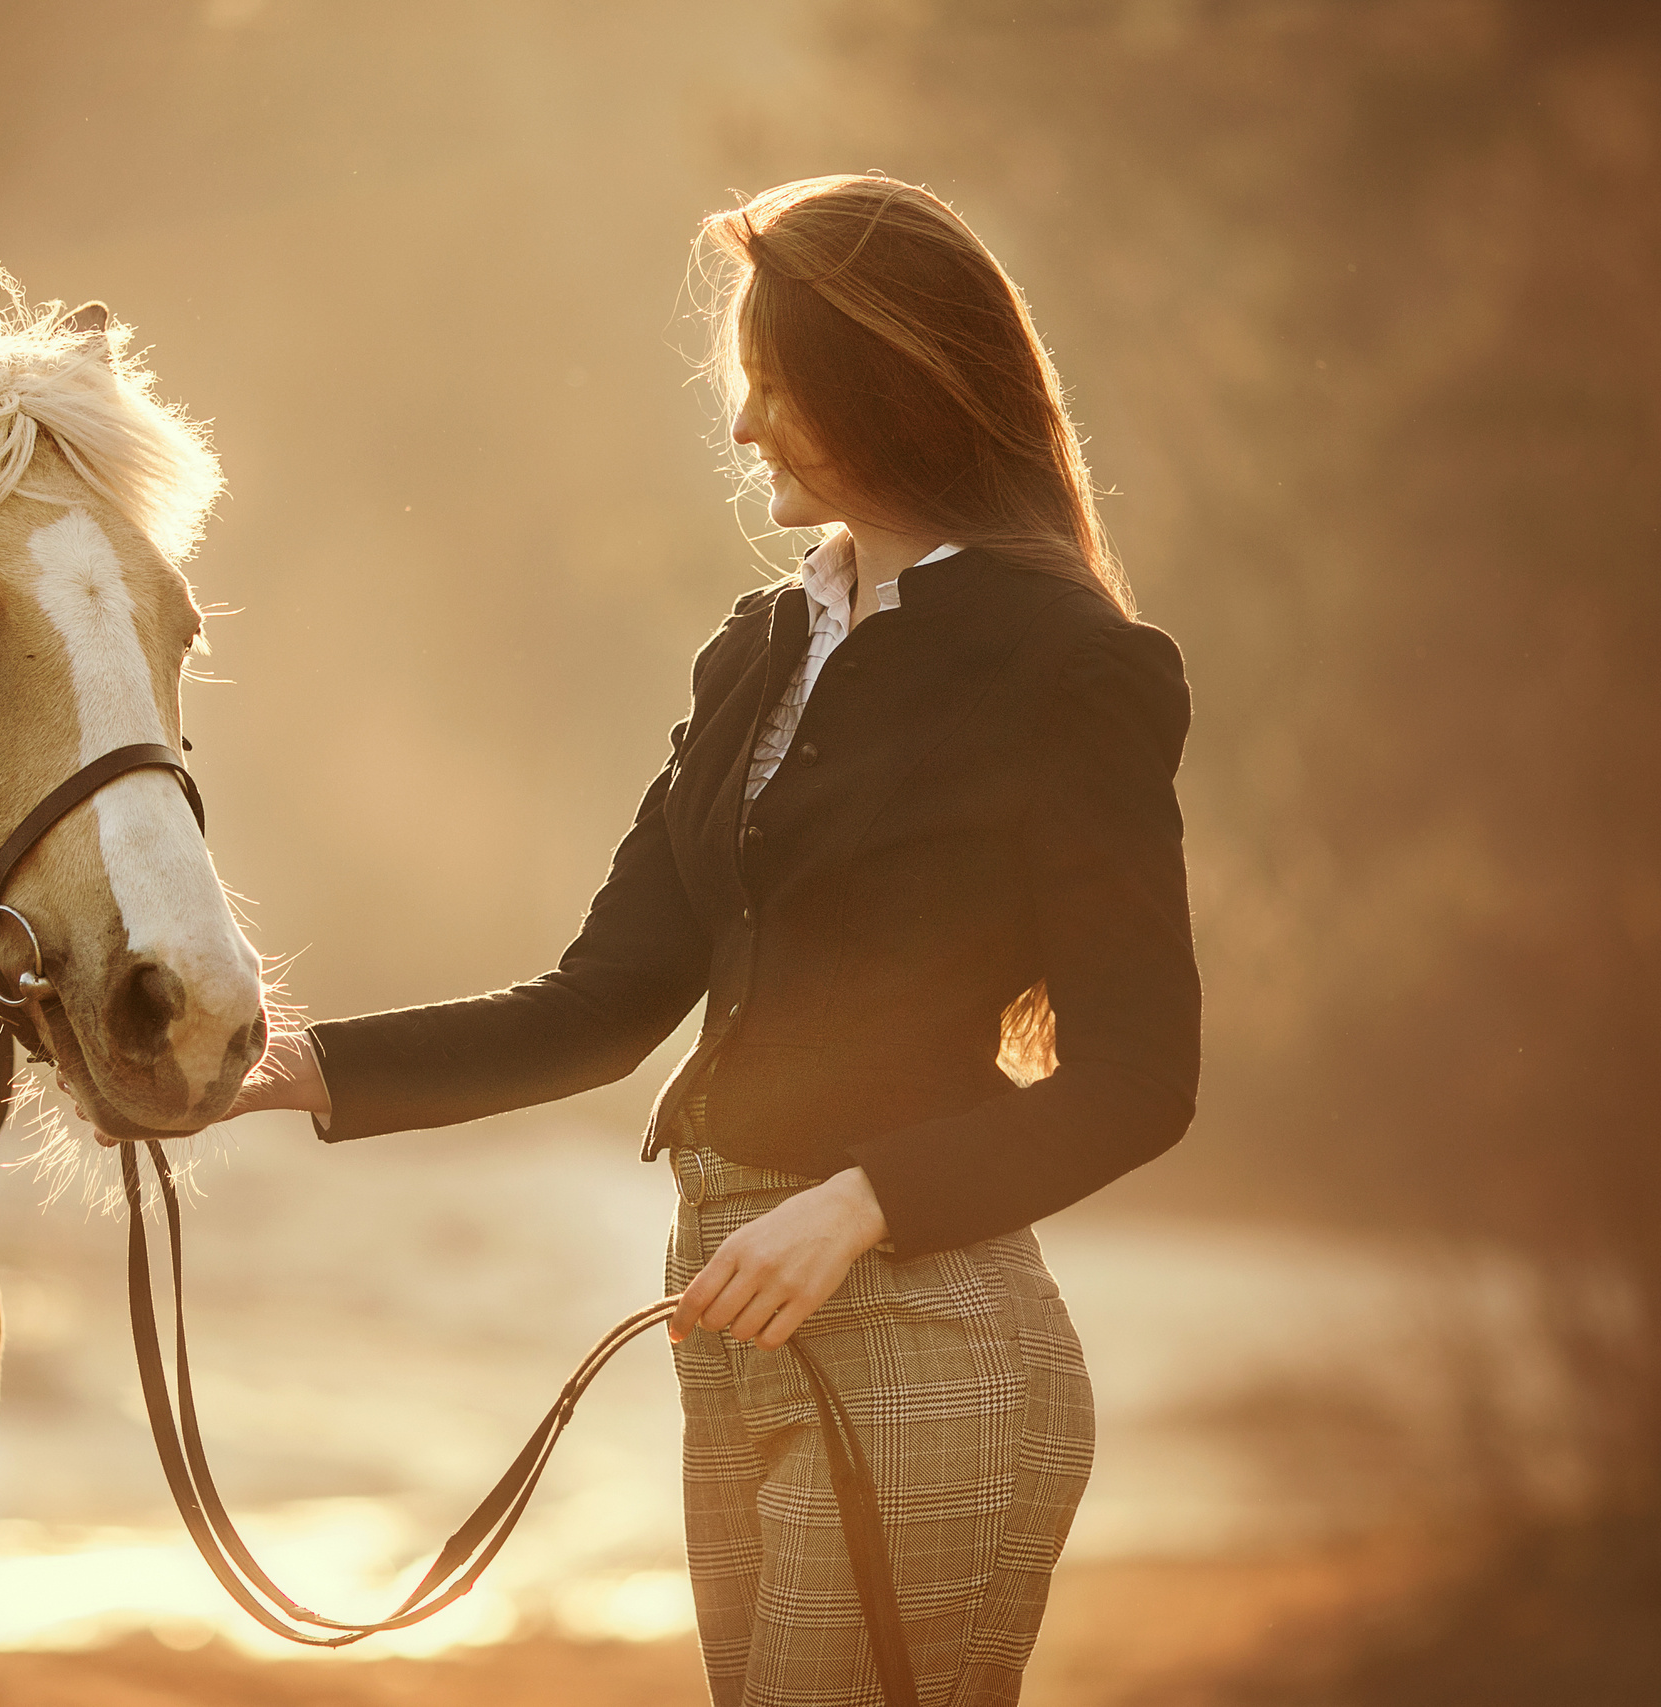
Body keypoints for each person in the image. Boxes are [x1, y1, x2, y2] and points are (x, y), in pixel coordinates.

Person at [208, 174, 1200, 1706]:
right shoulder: (761, 646)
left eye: (775, 383)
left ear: (890, 389)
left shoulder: (1074, 666)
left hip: (929, 1350)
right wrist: (281, 1069)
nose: (741, 427)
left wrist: (863, 1203)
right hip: (731, 1330)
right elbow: (601, 1004)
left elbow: (1143, 1077)